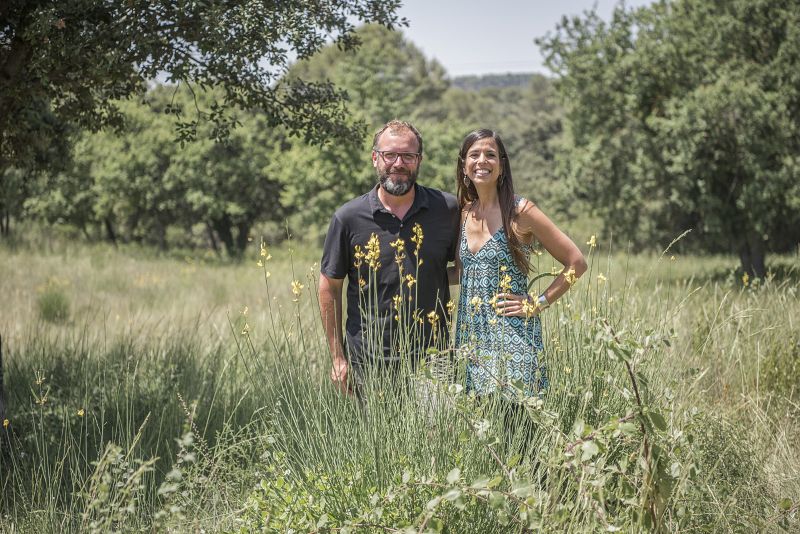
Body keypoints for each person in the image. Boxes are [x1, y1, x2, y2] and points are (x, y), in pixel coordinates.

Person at [319, 120, 459, 397]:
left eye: (408, 156)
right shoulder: (348, 218)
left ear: (419, 160)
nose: (399, 163)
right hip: (369, 361)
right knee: (379, 441)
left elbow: (466, 268)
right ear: (375, 158)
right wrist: (337, 357)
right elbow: (329, 288)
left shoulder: (447, 209)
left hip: (434, 357)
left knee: (437, 439)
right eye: (390, 155)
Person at [454, 128, 587, 400]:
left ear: (501, 166)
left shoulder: (521, 211)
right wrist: (410, 274)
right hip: (472, 339)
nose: (482, 161)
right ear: (464, 166)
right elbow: (463, 271)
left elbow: (577, 263)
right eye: (474, 155)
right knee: (479, 434)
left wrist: (538, 303)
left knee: (518, 429)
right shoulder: (464, 212)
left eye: (490, 155)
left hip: (514, 339)